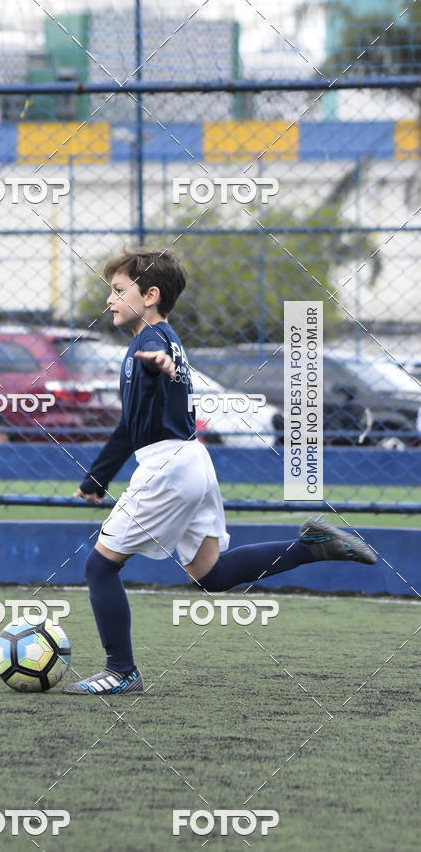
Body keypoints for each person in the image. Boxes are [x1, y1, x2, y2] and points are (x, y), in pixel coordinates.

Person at [63, 249, 376, 696]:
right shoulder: (148, 344)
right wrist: (97, 478)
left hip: (167, 469)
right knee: (209, 575)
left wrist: (156, 361)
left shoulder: (152, 342)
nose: (109, 301)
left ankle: (121, 671)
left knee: (99, 568)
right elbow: (129, 425)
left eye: (117, 291)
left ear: (150, 295)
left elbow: (156, 358)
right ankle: (312, 547)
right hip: (191, 462)